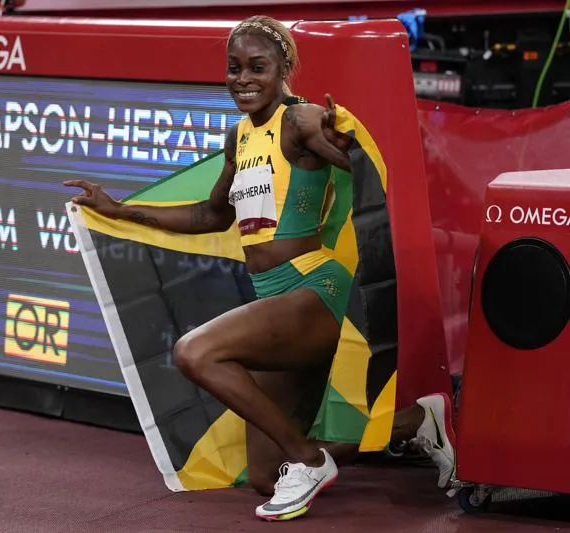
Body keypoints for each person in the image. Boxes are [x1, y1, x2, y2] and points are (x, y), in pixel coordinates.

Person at [65, 15, 455, 521]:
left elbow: (347, 157)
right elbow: (212, 215)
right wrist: (121, 211)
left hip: (315, 290)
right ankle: (417, 424)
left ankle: (312, 460)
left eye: (257, 67)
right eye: (234, 68)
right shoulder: (240, 138)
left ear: (284, 68)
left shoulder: (300, 120)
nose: (243, 79)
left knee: (194, 353)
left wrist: (343, 137)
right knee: (266, 477)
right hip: (275, 299)